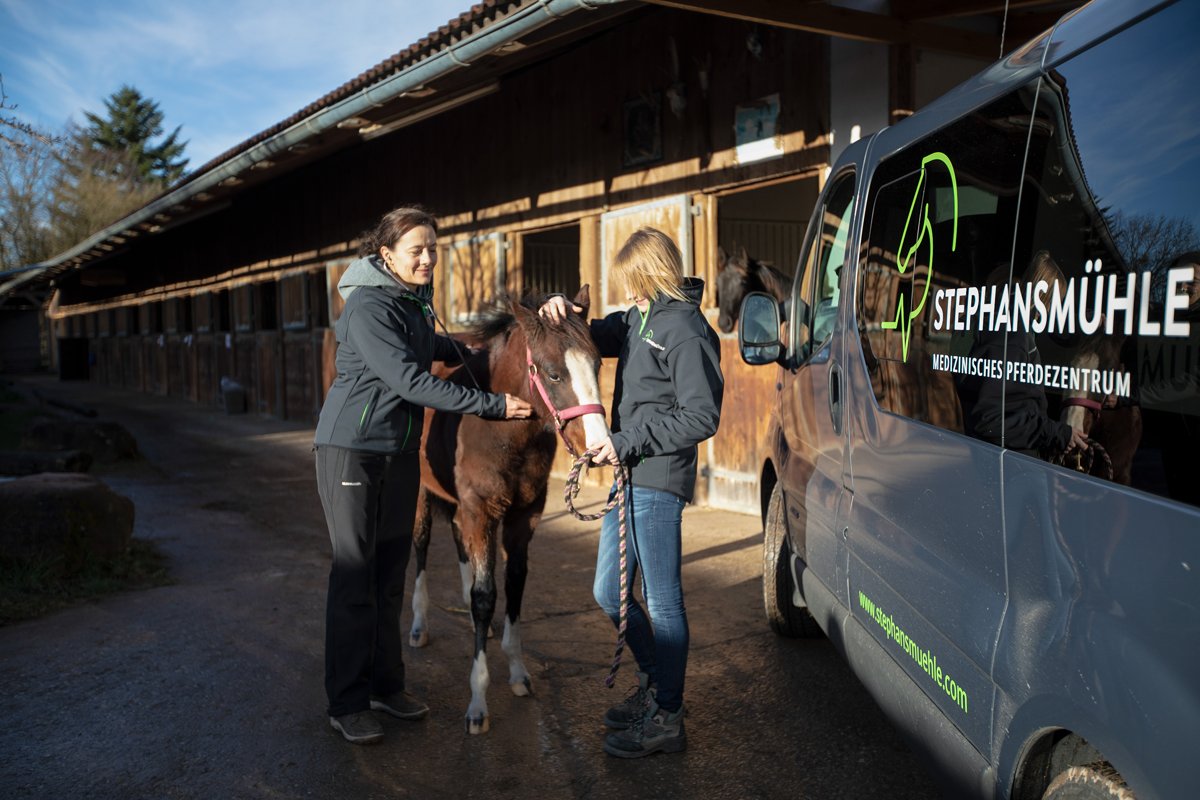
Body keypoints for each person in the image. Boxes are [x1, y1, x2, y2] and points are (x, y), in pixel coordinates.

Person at [312, 205, 532, 745]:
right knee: (354, 576)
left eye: (434, 247)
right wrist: (493, 405)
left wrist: (481, 352)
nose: (429, 257)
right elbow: (411, 380)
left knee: (389, 577)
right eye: (417, 250)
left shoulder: (411, 301)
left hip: (397, 450)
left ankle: (388, 686)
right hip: (351, 451)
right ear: (387, 255)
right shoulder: (367, 306)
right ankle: (346, 700)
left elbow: (431, 346)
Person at [539, 226, 724, 758]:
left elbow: (701, 415)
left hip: (658, 477)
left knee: (663, 601)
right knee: (608, 592)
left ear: (652, 276)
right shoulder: (639, 318)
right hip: (629, 472)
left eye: (633, 283)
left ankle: (668, 715)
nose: (627, 295)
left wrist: (626, 440)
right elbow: (593, 333)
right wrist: (561, 313)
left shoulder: (685, 330)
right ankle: (653, 679)